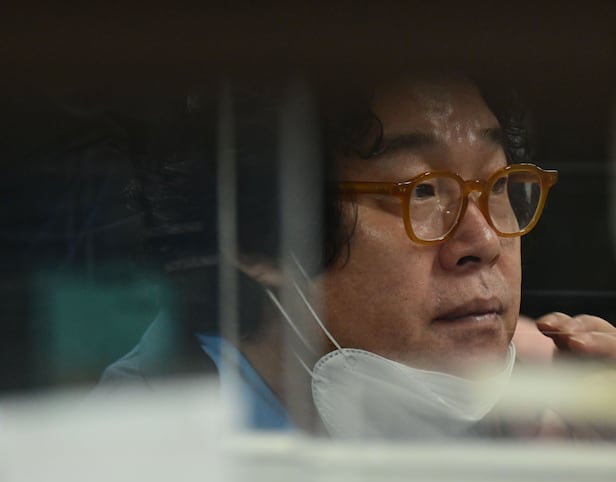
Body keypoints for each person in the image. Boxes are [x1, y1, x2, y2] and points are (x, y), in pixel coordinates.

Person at [98, 70, 616, 439]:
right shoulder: (151, 441)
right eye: (422, 191)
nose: (482, 242)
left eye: (497, 183)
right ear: (258, 238)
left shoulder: (543, 392)